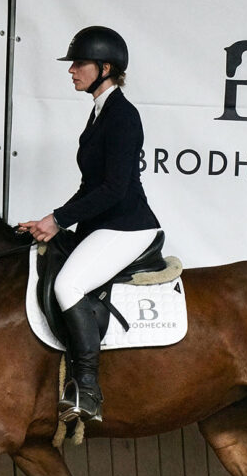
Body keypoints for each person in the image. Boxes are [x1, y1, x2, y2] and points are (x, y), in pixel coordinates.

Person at [19, 26, 161, 424]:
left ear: (105, 68)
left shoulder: (123, 116)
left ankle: (88, 390)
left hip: (127, 227)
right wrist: (53, 224)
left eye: (79, 64)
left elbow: (115, 189)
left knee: (68, 285)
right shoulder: (98, 114)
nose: (72, 71)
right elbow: (89, 187)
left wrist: (59, 219)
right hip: (103, 227)